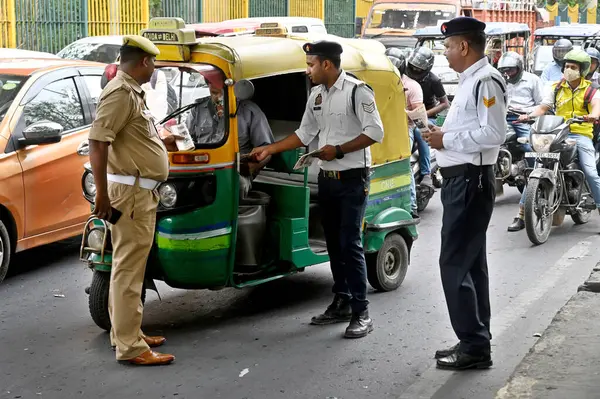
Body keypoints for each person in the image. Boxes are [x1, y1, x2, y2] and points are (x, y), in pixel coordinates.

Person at [249, 40, 384, 339]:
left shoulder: (356, 91)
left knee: (350, 244)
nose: (307, 70)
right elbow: (304, 133)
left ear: (326, 64)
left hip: (352, 179)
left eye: (311, 64)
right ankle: (342, 302)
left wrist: (338, 150)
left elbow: (375, 132)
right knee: (334, 243)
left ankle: (362, 313)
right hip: (327, 179)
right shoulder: (316, 95)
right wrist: (269, 149)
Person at [422, 17, 507, 370]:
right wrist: (440, 134)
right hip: (463, 180)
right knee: (470, 265)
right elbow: (473, 128)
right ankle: (475, 340)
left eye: (447, 47)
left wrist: (446, 140)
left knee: (455, 263)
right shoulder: (471, 80)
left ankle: (474, 346)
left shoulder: (485, 81)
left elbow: (494, 134)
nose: (444, 54)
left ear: (463, 46)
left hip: (470, 181)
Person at [88, 35, 175, 366]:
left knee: (126, 268)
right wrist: (102, 193)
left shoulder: (131, 92)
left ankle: (126, 333)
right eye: (153, 63)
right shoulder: (121, 93)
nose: (153, 69)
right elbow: (98, 142)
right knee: (128, 271)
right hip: (132, 194)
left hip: (138, 191)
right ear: (144, 62)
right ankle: (131, 348)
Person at [517, 49, 600, 212]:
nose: (568, 70)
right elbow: (543, 108)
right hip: (557, 133)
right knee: (539, 165)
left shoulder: (591, 90)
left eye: (573, 67)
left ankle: (599, 204)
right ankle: (521, 213)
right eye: (567, 66)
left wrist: (592, 115)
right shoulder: (555, 87)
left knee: (590, 172)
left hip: (580, 134)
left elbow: (597, 107)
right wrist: (528, 116)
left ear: (582, 70)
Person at [163, 78, 274, 199]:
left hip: (234, 172)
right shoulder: (197, 109)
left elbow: (267, 150)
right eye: (215, 93)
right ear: (208, 85)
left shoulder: (250, 112)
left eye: (223, 93)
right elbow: (186, 140)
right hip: (201, 169)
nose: (219, 98)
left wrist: (252, 167)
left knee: (235, 185)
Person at [496, 51, 544, 231]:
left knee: (531, 151)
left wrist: (527, 114)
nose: (508, 74)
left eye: (511, 70)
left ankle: (533, 172)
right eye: (505, 71)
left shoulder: (532, 80)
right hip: (503, 119)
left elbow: (543, 104)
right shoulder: (501, 82)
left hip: (525, 120)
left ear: (519, 68)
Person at [406, 46, 450, 188]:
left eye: (419, 69)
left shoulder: (433, 80)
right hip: (406, 115)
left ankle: (425, 173)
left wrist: (424, 114)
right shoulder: (404, 75)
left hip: (426, 116)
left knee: (420, 131)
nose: (415, 71)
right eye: (413, 67)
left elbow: (444, 103)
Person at [386, 49, 424, 218]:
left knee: (403, 166)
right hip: (383, 130)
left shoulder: (412, 87)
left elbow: (418, 116)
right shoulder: (379, 84)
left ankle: (412, 206)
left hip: (403, 130)